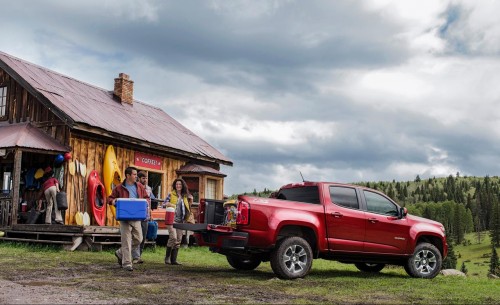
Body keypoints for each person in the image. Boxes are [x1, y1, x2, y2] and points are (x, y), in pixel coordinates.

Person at [108, 167, 150, 271]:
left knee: (139, 238)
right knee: (126, 239)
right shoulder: (119, 188)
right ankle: (127, 263)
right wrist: (113, 201)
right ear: (128, 176)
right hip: (124, 216)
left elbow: (146, 197)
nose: (136, 176)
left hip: (136, 216)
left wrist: (146, 204)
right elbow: (110, 198)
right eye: (134, 174)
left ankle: (120, 252)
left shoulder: (139, 186)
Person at [163, 178, 191, 265]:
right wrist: (168, 204)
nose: (178, 186)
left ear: (183, 186)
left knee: (178, 239)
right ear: (175, 186)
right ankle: (167, 257)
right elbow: (163, 204)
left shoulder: (185, 196)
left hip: (180, 221)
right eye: (177, 184)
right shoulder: (171, 194)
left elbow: (187, 208)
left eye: (180, 184)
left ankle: (173, 260)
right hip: (171, 219)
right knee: (173, 238)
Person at [132, 171, 155, 264]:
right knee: (137, 236)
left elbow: (149, 202)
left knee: (143, 237)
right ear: (139, 178)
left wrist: (150, 214)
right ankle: (135, 257)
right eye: (143, 178)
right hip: (137, 216)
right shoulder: (135, 187)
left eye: (146, 178)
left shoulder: (149, 189)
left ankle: (139, 256)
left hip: (146, 216)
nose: (145, 180)